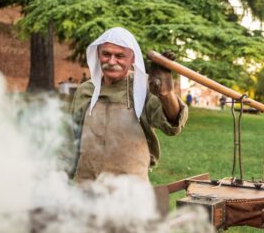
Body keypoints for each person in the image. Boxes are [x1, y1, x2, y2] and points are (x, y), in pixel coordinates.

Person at [70, 27, 188, 183]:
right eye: (106, 54)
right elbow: (70, 140)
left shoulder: (145, 86)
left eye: (119, 56)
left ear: (132, 59)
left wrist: (166, 93)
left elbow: (171, 124)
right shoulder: (85, 90)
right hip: (86, 189)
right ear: (98, 54)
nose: (111, 61)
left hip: (130, 194)